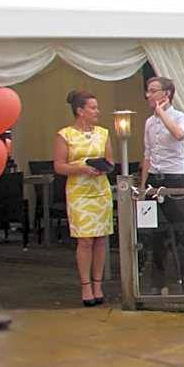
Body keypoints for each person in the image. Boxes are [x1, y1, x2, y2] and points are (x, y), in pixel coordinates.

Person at [53, 90, 114, 307]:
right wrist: (81, 169)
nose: (97, 111)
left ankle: (98, 285)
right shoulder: (64, 135)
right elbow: (59, 165)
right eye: (93, 107)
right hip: (79, 190)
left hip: (100, 189)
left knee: (100, 238)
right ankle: (85, 286)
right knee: (85, 239)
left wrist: (103, 168)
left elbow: (110, 160)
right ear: (80, 111)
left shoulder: (103, 133)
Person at [141, 76, 184, 294]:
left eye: (153, 91)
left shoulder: (180, 117)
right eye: (148, 91)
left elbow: (179, 134)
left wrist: (162, 113)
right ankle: (158, 282)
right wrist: (143, 184)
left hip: (174, 179)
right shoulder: (148, 122)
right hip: (155, 178)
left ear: (166, 94)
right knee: (154, 232)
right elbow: (147, 154)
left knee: (182, 231)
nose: (149, 95)